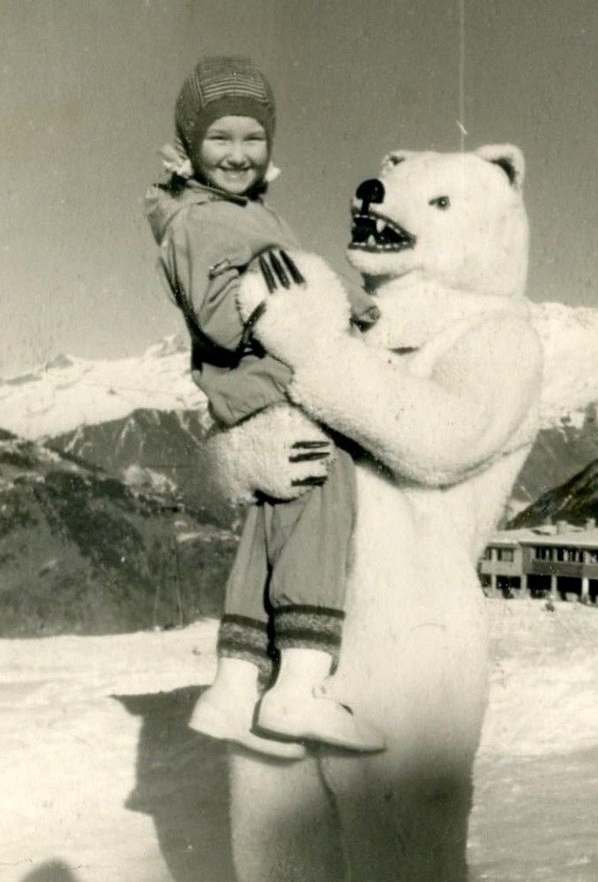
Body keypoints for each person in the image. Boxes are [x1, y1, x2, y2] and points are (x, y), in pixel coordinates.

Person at [145, 56, 384, 759]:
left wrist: (342, 301)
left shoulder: (238, 212)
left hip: (258, 378)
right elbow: (223, 317)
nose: (238, 153)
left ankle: (233, 684)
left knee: (269, 517)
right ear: (189, 144)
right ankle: (301, 683)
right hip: (261, 376)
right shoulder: (196, 219)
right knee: (320, 483)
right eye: (220, 138)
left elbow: (291, 273)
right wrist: (279, 314)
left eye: (253, 138)